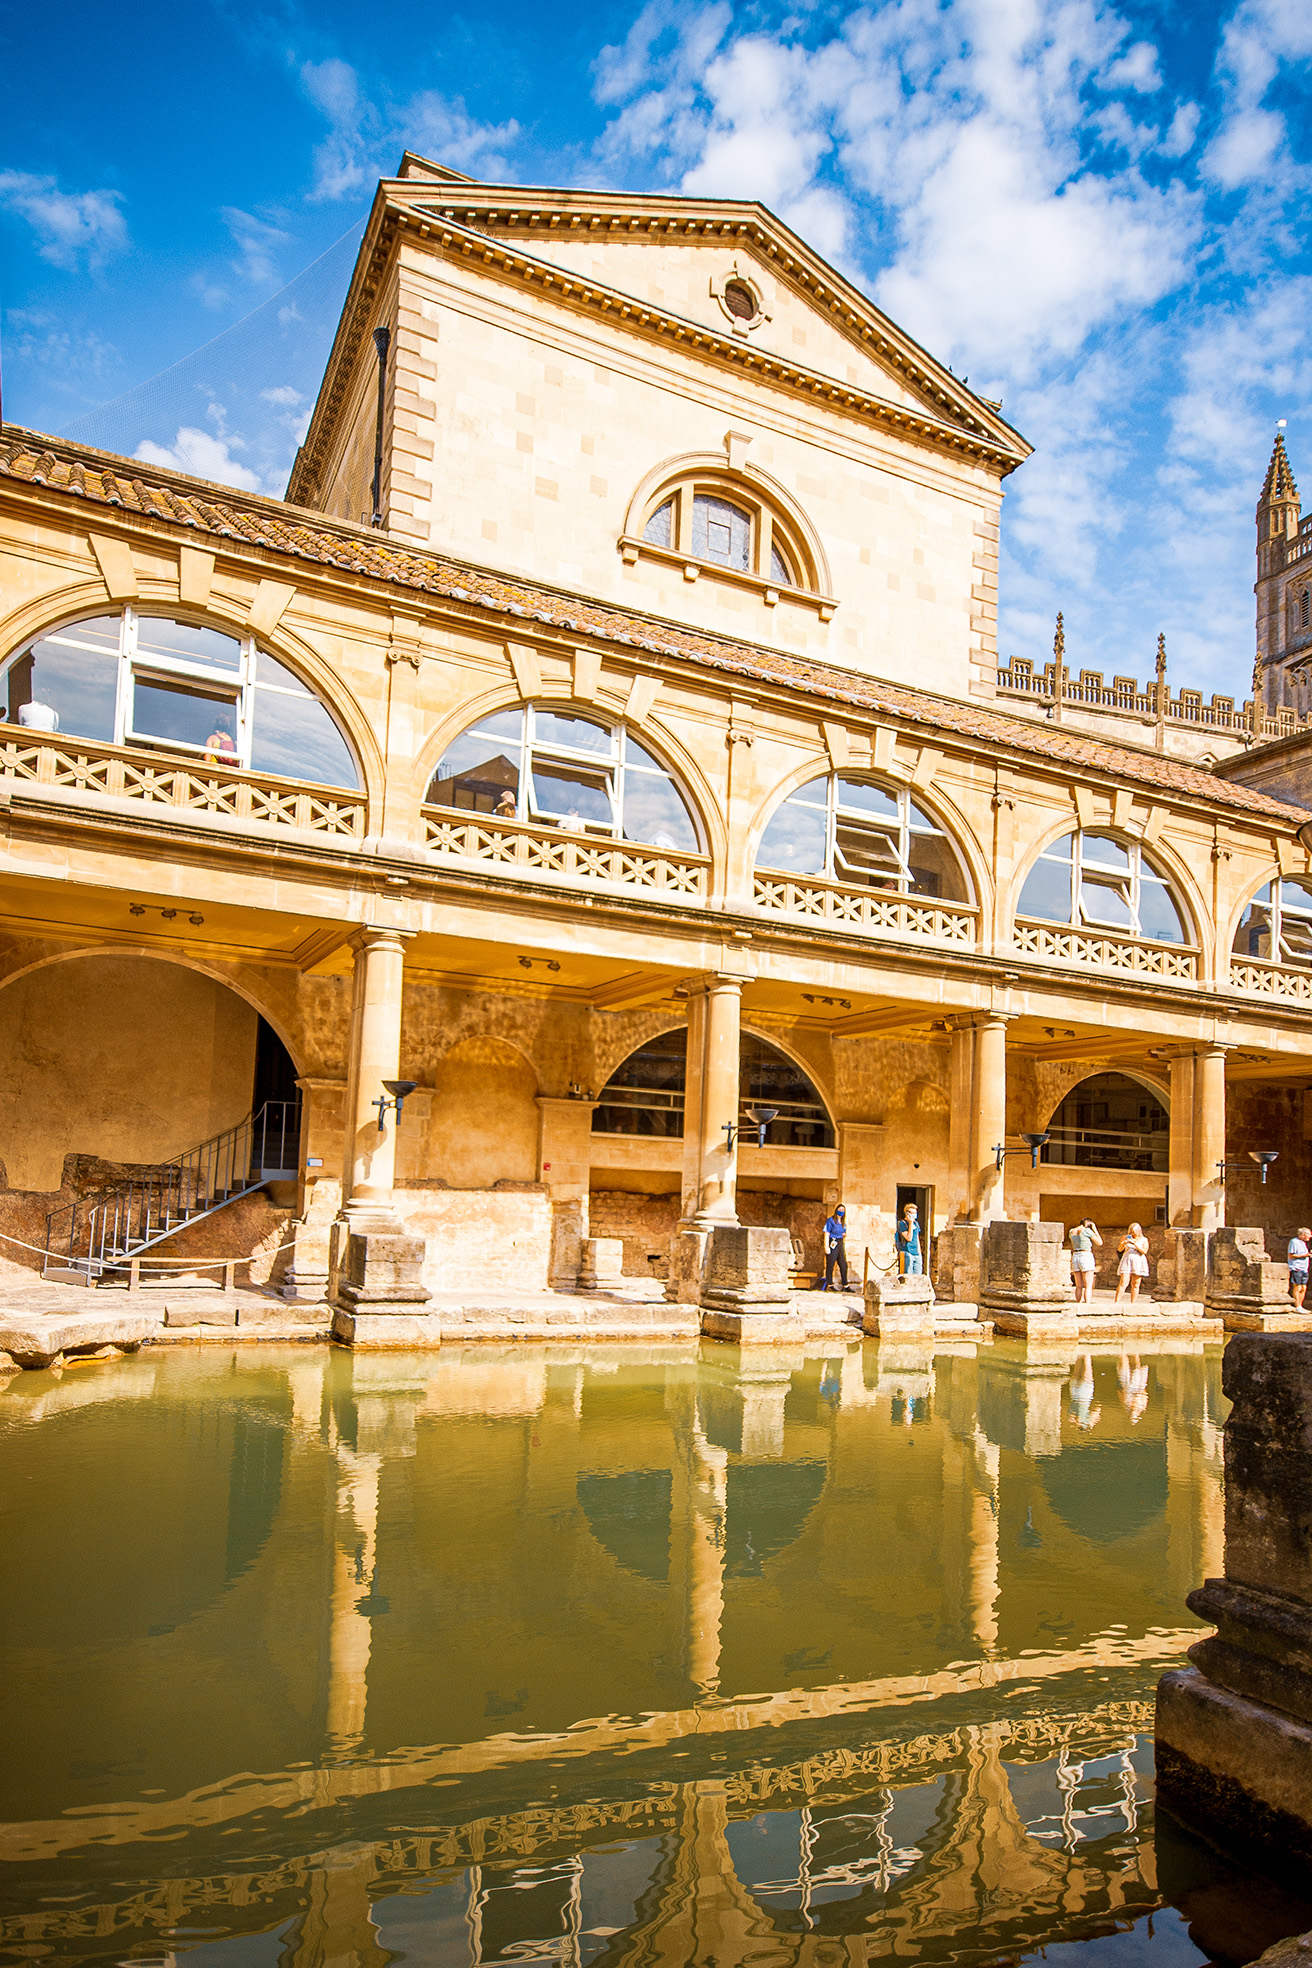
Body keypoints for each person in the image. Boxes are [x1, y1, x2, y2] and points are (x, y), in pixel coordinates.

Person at [1114, 1221, 1150, 1304]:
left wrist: (1135, 1244)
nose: (1132, 1234)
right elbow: (1119, 1249)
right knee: (1123, 1282)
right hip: (1127, 1260)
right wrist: (1123, 1243)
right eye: (1131, 1232)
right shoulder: (1125, 1237)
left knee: (1136, 1283)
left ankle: (1133, 1303)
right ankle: (1117, 1302)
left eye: (1134, 1232)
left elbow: (1144, 1251)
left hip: (1138, 1261)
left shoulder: (1144, 1240)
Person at [1068, 1219, 1102, 1303]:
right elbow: (1099, 1242)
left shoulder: (1071, 1231)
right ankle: (1087, 1303)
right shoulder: (1086, 1231)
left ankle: (1078, 1302)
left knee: (1078, 1285)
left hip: (1075, 1255)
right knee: (1088, 1285)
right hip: (1085, 1255)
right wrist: (1095, 1229)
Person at [820, 1203, 849, 1291]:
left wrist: (844, 1234)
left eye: (843, 1210)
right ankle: (829, 1284)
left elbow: (844, 1232)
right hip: (833, 1241)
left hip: (840, 1242)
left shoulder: (843, 1222)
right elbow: (827, 1232)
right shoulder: (830, 1220)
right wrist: (826, 1246)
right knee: (831, 1263)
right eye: (840, 1210)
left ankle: (845, 1284)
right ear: (836, 1210)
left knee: (843, 1264)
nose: (841, 1212)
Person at [895, 1201, 922, 1276]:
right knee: (908, 1276)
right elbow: (908, 1238)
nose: (914, 1214)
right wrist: (910, 1223)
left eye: (915, 1212)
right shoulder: (902, 1223)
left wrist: (919, 1252)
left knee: (918, 1275)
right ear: (907, 1213)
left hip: (916, 1252)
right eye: (912, 1212)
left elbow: (917, 1238)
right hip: (907, 1251)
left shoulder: (916, 1223)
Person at [1290, 1227, 1311, 1309]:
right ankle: (1297, 1306)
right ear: (1303, 1235)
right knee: (1297, 1286)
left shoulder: (1303, 1243)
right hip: (1296, 1267)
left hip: (1304, 1268)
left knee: (1303, 1287)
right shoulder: (1294, 1242)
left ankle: (1300, 1305)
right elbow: (1291, 1255)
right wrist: (1305, 1255)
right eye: (1309, 1235)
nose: (1310, 1236)